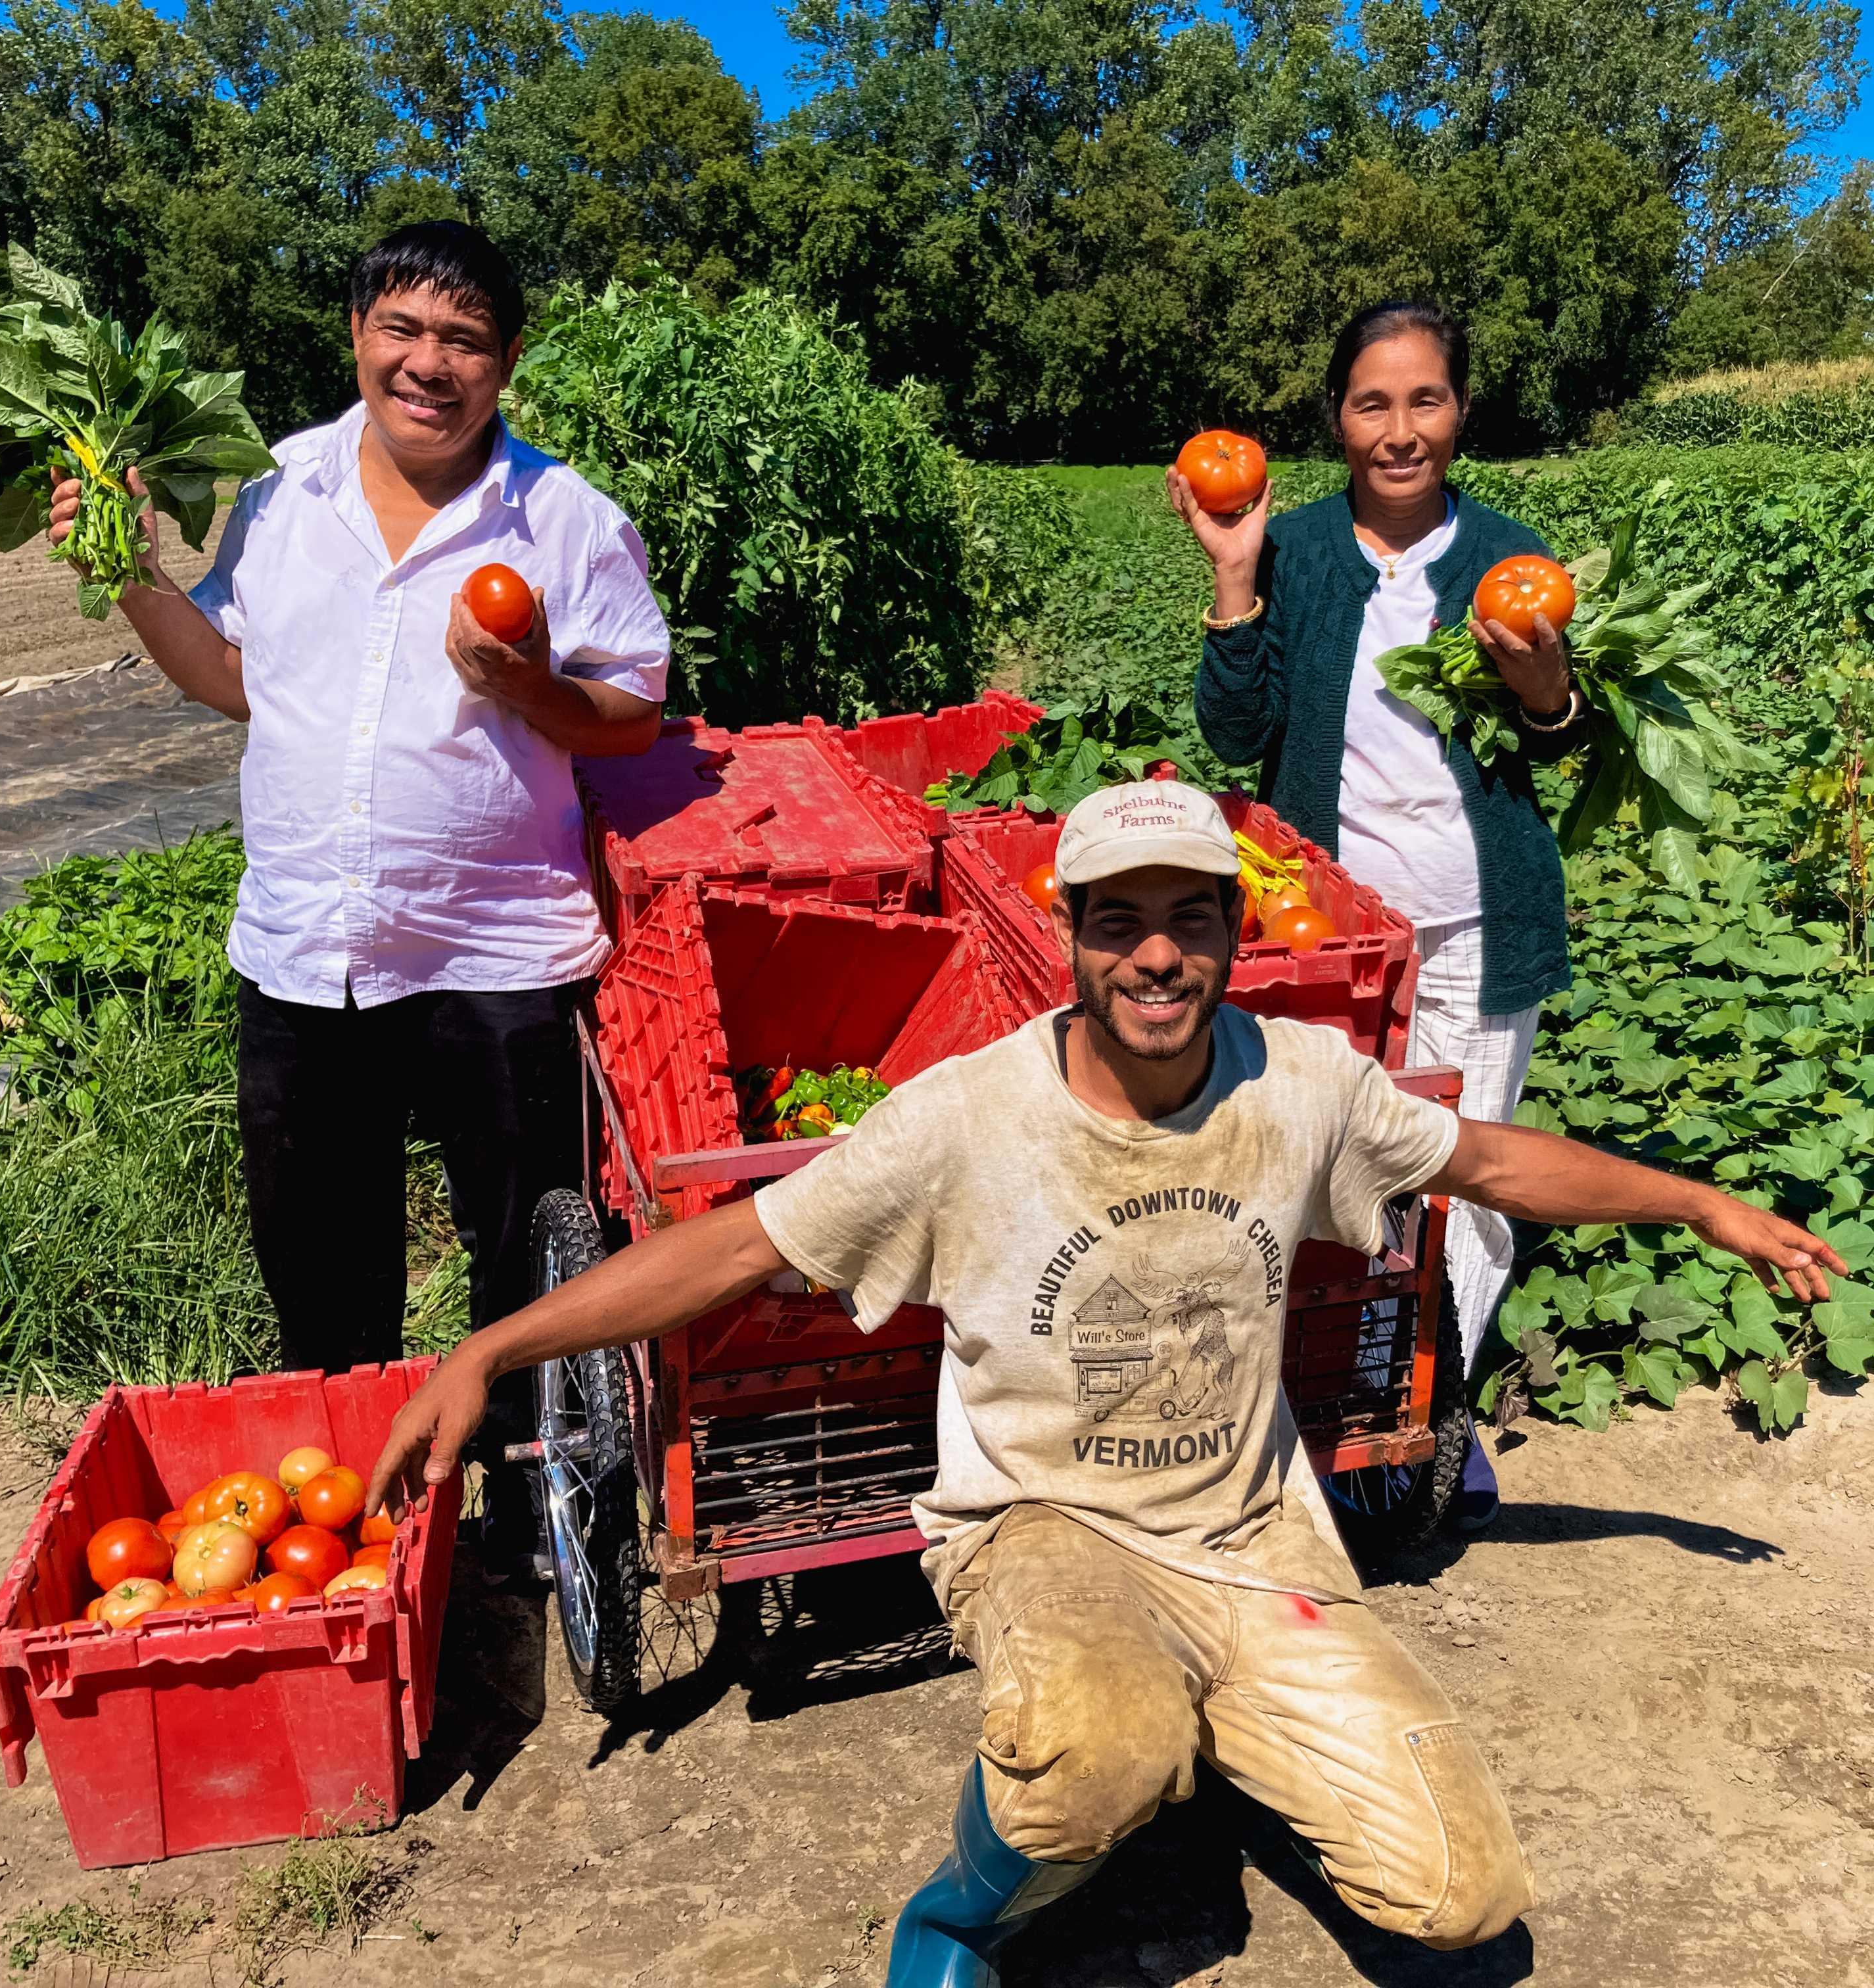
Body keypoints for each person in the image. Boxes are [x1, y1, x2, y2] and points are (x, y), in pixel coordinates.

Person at [362, 780, 1840, 1985]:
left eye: (1188, 921)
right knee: (1095, 1754)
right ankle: (959, 1912)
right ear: (1070, 936)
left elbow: (1492, 1159)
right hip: (1042, 1527)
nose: (1156, 957)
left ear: (1227, 933)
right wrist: (491, 1351)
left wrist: (1698, 1202)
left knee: (1461, 1903)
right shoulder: (967, 1118)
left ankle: (1215, 1729)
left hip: (1257, 1547)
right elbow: (740, 1246)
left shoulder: (1303, 1082)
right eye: (1120, 923)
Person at [49, 222, 668, 1561]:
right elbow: (233, 677)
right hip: (304, 954)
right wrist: (127, 574)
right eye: (404, 329)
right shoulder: (282, 493)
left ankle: (523, 1515)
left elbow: (631, 715)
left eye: (465, 340)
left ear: (506, 362)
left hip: (500, 953)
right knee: (321, 1266)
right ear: (357, 335)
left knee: (525, 1259)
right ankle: (358, 1519)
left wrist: (532, 693)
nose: (429, 363)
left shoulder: (565, 519)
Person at [1178, 300, 1581, 1528]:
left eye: (1425, 400)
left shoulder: (1512, 553)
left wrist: (1544, 683)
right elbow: (1236, 740)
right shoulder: (1292, 549)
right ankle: (1317, 1401)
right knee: (1321, 1169)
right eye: (1373, 403)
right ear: (1338, 420)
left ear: (1459, 411)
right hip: (1332, 936)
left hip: (1476, 919)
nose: (1401, 430)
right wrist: (1235, 581)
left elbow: (1558, 743)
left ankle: (1429, 1414)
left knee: (1467, 1169)